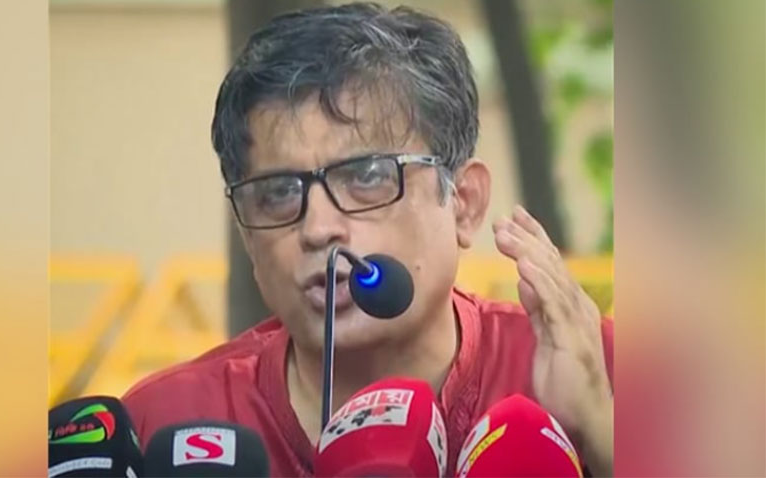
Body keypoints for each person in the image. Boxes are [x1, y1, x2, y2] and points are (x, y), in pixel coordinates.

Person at [123, 3, 613, 476]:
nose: (318, 229)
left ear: (463, 202)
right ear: (248, 237)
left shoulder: (601, 369)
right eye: (278, 193)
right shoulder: (163, 428)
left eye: (367, 176)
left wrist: (599, 430)